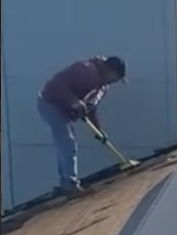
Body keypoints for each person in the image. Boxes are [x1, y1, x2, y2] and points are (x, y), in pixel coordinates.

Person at [37, 56, 128, 195]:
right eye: (117, 77)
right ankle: (70, 185)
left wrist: (98, 130)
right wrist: (74, 102)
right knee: (67, 142)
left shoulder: (102, 87)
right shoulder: (86, 71)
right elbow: (58, 86)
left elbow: (91, 109)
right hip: (50, 103)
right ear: (110, 70)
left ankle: (65, 182)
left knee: (66, 144)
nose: (115, 81)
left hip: (64, 108)